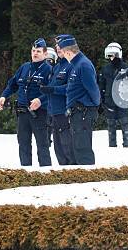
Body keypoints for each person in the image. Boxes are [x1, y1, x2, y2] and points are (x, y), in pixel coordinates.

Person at [0, 38, 52, 167]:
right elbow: (12, 84)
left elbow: (52, 91)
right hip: (22, 112)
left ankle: (45, 172)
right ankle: (26, 171)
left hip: (39, 113)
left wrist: (40, 100)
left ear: (45, 54)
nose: (35, 53)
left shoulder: (48, 69)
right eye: (33, 50)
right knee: (23, 144)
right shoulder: (25, 67)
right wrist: (4, 96)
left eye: (38, 51)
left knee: (42, 145)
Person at [58, 36, 100, 165]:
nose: (63, 56)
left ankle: (88, 179)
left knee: (83, 148)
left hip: (83, 112)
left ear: (69, 52)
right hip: (77, 113)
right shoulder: (76, 64)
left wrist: (93, 107)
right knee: (77, 147)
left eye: (64, 53)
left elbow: (93, 90)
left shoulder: (83, 65)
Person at [39, 35, 74, 165]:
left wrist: (53, 90)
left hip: (65, 112)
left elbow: (72, 88)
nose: (58, 49)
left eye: (61, 46)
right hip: (54, 113)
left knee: (68, 148)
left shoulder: (72, 65)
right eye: (57, 47)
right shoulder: (57, 67)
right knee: (58, 150)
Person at [99, 42, 128, 148]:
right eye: (110, 55)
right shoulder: (105, 68)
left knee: (125, 123)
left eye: (113, 54)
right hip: (109, 100)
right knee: (111, 125)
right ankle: (112, 146)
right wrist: (102, 100)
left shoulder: (126, 68)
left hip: (123, 99)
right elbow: (101, 85)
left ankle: (127, 145)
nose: (111, 57)